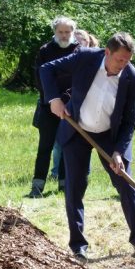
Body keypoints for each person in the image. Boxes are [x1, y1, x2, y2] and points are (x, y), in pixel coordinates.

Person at [40, 32, 135, 260]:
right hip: (77, 128)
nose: (123, 65)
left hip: (110, 137)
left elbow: (129, 122)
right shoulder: (85, 57)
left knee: (126, 184)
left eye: (128, 60)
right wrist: (54, 99)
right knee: (75, 187)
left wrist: (119, 151)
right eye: (119, 59)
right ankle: (78, 246)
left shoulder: (133, 78)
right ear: (107, 52)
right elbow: (46, 69)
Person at [26, 16, 79, 198]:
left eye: (67, 32)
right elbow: (39, 78)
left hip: (71, 106)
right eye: (60, 32)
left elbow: (81, 79)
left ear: (72, 32)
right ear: (55, 32)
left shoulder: (79, 50)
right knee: (45, 146)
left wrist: (65, 99)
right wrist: (53, 99)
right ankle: (37, 186)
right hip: (48, 105)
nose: (64, 36)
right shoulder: (45, 51)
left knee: (67, 145)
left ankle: (65, 186)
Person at [51, 29, 99, 180]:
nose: (77, 45)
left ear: (88, 43)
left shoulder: (93, 61)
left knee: (85, 141)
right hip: (62, 107)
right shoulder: (67, 61)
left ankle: (84, 172)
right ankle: (56, 172)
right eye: (75, 41)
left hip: (84, 109)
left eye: (81, 42)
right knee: (59, 142)